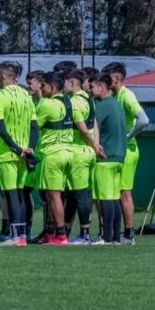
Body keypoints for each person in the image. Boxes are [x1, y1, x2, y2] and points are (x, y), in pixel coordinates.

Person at [0, 61, 38, 247]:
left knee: (10, 195)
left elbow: (1, 129)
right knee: (19, 194)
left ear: (3, 75)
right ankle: (22, 235)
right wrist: (29, 148)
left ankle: (16, 237)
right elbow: (34, 127)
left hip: (8, 154)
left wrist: (17, 149)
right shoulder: (27, 96)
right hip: (24, 154)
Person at [102, 62, 149, 245]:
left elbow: (144, 120)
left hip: (128, 151)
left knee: (124, 193)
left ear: (116, 79)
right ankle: (117, 233)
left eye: (108, 78)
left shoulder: (127, 95)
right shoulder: (114, 96)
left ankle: (129, 234)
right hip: (118, 150)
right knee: (116, 192)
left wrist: (128, 137)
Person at [35, 72, 74, 246]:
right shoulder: (67, 102)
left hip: (53, 154)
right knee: (55, 196)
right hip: (67, 151)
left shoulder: (47, 104)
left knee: (54, 196)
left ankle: (60, 234)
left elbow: (34, 126)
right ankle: (52, 233)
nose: (40, 89)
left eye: (43, 85)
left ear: (53, 86)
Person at [63, 68, 98, 245]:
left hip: (79, 152)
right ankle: (66, 230)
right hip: (88, 152)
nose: (64, 85)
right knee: (73, 194)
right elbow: (95, 124)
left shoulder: (75, 102)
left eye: (66, 82)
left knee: (82, 194)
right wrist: (96, 146)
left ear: (73, 83)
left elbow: (83, 130)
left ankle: (85, 234)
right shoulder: (88, 99)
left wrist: (93, 144)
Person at [89, 73, 125, 245]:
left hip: (106, 157)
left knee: (105, 198)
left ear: (102, 87)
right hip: (119, 157)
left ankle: (106, 237)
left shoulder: (100, 105)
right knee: (114, 197)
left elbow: (92, 124)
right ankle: (116, 237)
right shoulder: (117, 104)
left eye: (92, 87)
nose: (90, 90)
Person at [24, 70, 48, 241]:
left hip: (44, 155)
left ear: (41, 84)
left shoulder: (46, 104)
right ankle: (27, 229)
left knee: (47, 195)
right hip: (32, 154)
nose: (28, 86)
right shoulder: (30, 102)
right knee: (25, 191)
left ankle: (49, 230)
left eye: (30, 83)